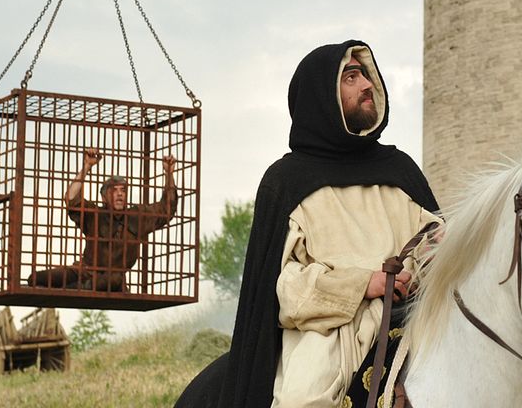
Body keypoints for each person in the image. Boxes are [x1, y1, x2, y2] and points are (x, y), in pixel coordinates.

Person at [175, 39, 439, 408]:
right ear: (322, 97)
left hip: (417, 314)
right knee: (302, 399)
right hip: (328, 331)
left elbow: (437, 241)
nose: (367, 84)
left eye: (365, 75)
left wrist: (420, 266)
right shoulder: (287, 182)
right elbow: (284, 289)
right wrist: (365, 283)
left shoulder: (401, 170)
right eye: (351, 77)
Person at [27, 148, 178, 292]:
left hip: (112, 278)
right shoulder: (95, 214)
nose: (120, 194)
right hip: (84, 270)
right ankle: (79, 286)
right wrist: (86, 167)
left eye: (123, 190)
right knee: (36, 278)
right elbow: (71, 199)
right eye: (114, 190)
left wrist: (169, 174)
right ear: (104, 197)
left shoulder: (137, 215)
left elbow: (166, 210)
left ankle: (76, 288)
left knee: (113, 280)